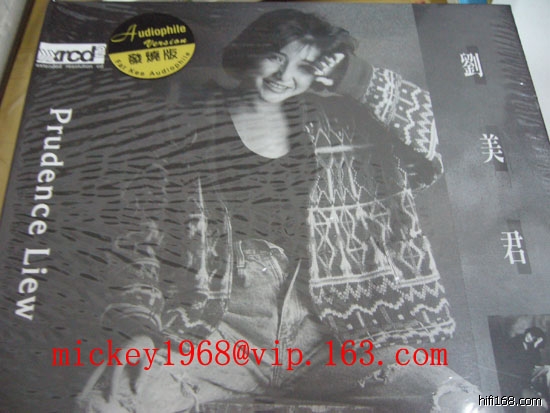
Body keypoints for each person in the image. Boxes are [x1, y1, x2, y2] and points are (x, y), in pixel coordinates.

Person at [79, 8, 480, 412]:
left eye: (304, 67)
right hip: (219, 329)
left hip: (330, 334)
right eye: (275, 57)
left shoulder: (342, 123)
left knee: (457, 402)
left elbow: (440, 138)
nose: (284, 75)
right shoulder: (183, 123)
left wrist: (354, 76)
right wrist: (138, 323)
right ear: (250, 51)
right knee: (110, 401)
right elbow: (139, 236)